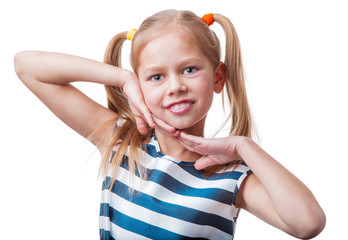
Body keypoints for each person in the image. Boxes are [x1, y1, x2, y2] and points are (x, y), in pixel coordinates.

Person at [14, 9, 325, 240]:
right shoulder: (121, 144)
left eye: (189, 69)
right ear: (141, 85)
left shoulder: (229, 179)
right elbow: (27, 66)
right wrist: (122, 78)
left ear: (217, 77)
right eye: (156, 77)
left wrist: (243, 146)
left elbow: (308, 223)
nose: (175, 86)